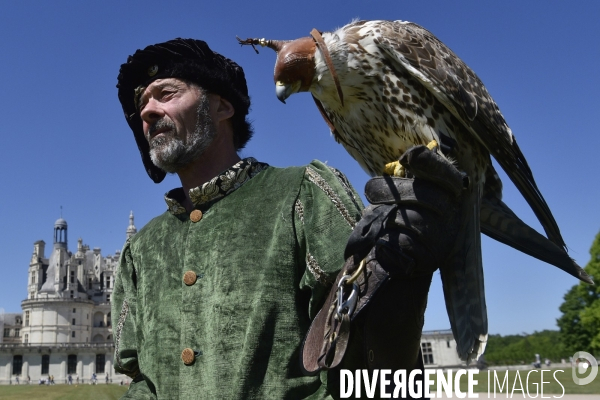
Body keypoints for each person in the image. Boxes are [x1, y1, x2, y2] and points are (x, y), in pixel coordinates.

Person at [113, 38, 464, 399]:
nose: (147, 111)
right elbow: (141, 378)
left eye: (166, 93)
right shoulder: (141, 249)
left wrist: (403, 277)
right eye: (142, 103)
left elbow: (363, 348)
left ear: (221, 107)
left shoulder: (303, 194)